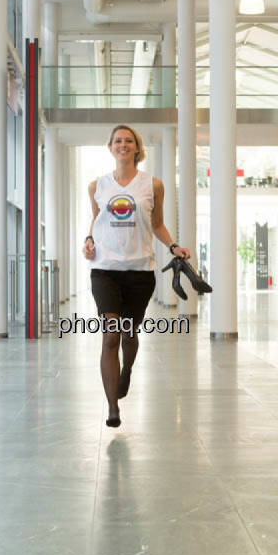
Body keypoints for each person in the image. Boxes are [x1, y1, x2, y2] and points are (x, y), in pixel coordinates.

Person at [83, 124, 190, 428]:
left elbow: (157, 224)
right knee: (110, 335)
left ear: (137, 147)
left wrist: (173, 246)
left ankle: (126, 370)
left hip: (140, 272)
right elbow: (96, 222)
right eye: (118, 140)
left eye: (129, 140)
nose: (123, 144)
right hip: (105, 271)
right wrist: (88, 242)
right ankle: (112, 407)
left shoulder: (152, 185)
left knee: (129, 334)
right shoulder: (97, 186)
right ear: (111, 147)